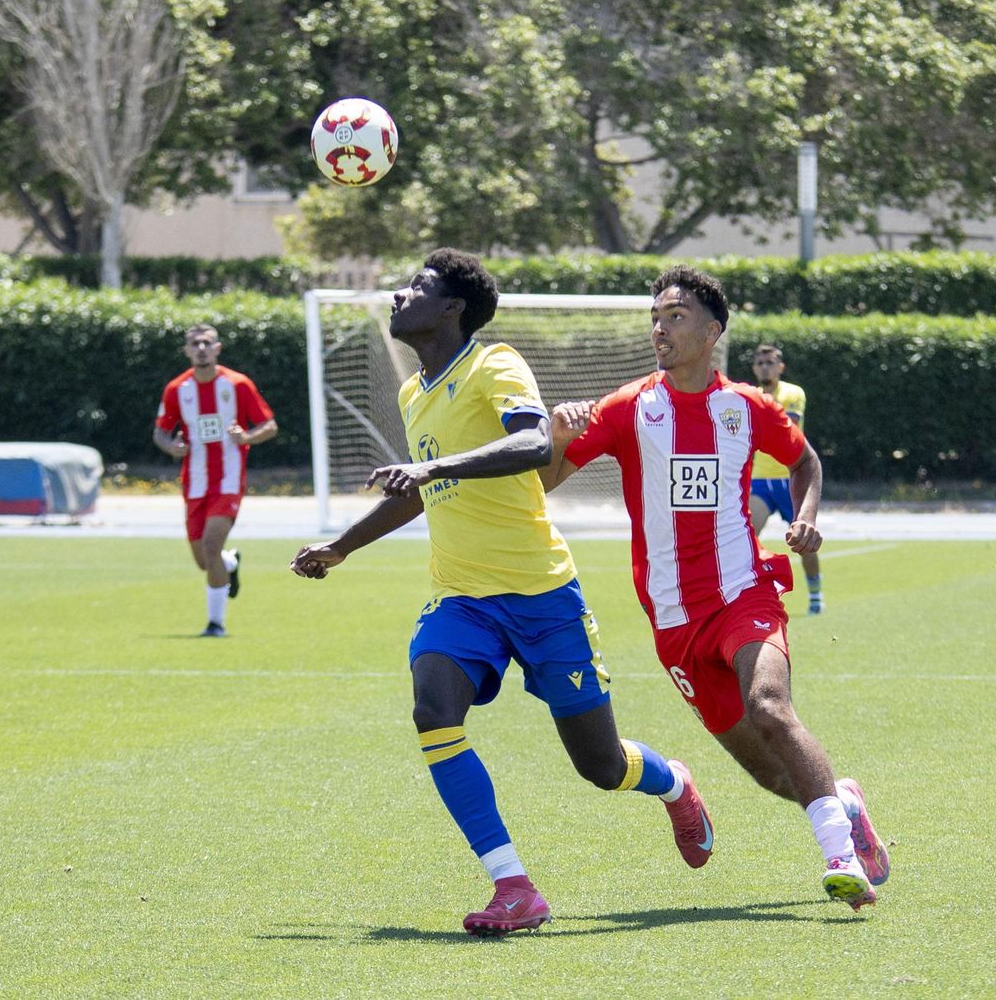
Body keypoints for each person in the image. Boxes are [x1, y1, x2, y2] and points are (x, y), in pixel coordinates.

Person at [290, 248, 712, 937]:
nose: (398, 295)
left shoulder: (496, 364)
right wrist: (342, 546)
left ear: (452, 307)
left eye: (416, 286)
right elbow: (421, 490)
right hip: (461, 597)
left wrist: (433, 468)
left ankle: (673, 783)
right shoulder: (414, 392)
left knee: (601, 766)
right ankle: (513, 886)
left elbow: (534, 443)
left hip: (542, 595)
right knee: (432, 710)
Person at [540, 265, 889, 911]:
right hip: (674, 621)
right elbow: (546, 481)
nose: (659, 328)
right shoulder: (628, 408)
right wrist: (558, 439)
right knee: (770, 773)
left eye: (675, 316)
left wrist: (807, 515)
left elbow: (805, 461)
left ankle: (841, 859)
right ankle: (844, 803)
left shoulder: (747, 407)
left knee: (770, 707)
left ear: (712, 332)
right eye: (655, 317)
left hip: (743, 594)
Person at [154, 324, 278, 637]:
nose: (201, 349)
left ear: (217, 348)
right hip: (194, 482)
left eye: (207, 343)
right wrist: (173, 447)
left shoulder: (237, 384)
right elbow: (161, 432)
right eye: (195, 344)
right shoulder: (177, 389)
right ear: (187, 350)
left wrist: (246, 437)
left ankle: (216, 624)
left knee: (211, 546)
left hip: (228, 480)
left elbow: (269, 426)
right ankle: (230, 563)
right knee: (204, 560)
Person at [749, 344, 824, 614]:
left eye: (770, 362)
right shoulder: (750, 396)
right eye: (760, 363)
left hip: (791, 478)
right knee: (747, 539)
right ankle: (753, 594)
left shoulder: (793, 393)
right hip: (759, 481)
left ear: (780, 367)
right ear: (754, 368)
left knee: (804, 541)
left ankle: (815, 594)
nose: (764, 367)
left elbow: (785, 427)